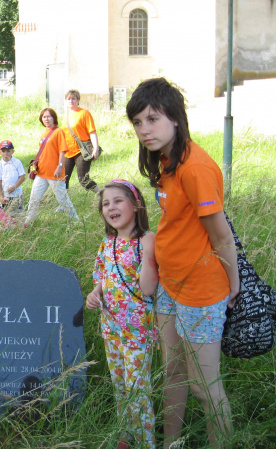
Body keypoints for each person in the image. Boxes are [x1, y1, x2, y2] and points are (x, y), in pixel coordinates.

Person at [126, 77, 239, 449]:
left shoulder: (196, 168)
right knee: (172, 372)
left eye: (152, 119)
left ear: (175, 117)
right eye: (138, 122)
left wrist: (233, 284)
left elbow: (221, 235)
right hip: (169, 283)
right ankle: (170, 443)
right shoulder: (166, 159)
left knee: (204, 386)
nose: (144, 130)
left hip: (201, 289)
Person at [86, 180, 159, 449]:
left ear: (136, 205)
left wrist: (149, 249)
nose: (110, 207)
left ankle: (145, 442)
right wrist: (95, 294)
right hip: (111, 328)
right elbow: (103, 278)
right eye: (105, 203)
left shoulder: (146, 240)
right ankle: (125, 436)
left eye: (118, 201)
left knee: (137, 388)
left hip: (138, 330)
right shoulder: (107, 244)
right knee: (119, 384)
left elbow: (148, 289)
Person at [25, 108, 79, 226]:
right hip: (41, 172)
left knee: (62, 199)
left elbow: (62, 150)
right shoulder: (44, 132)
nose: (47, 119)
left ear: (54, 118)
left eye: (49, 116)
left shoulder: (58, 132)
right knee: (34, 197)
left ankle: (76, 221)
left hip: (54, 172)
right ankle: (28, 222)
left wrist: (59, 166)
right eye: (44, 117)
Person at [63, 89, 101, 193]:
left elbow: (92, 132)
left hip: (81, 151)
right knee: (63, 179)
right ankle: (64, 204)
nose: (71, 101)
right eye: (68, 99)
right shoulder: (64, 115)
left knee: (83, 179)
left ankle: (103, 194)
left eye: (73, 98)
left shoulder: (84, 113)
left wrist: (96, 148)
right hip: (67, 152)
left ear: (78, 100)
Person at [0, 140, 26, 215]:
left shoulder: (17, 162)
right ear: (0, 152)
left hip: (17, 193)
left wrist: (14, 187)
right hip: (6, 194)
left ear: (12, 151)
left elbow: (22, 177)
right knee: (6, 213)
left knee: (18, 212)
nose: (6, 153)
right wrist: (1, 196)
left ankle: (20, 224)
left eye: (8, 151)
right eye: (3, 151)